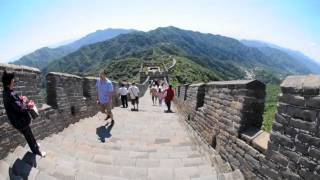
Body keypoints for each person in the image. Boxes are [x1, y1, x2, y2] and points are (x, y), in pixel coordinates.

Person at [2, 70, 46, 157]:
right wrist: (28, 105)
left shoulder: (6, 92)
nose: (14, 81)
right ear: (9, 81)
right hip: (20, 121)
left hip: (18, 121)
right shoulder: (10, 94)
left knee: (29, 134)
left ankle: (35, 145)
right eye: (13, 79)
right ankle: (37, 152)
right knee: (29, 136)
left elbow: (15, 104)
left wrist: (21, 100)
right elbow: (20, 108)